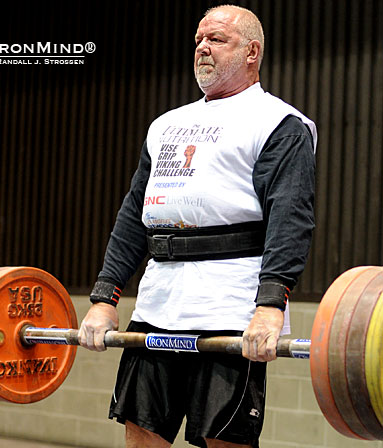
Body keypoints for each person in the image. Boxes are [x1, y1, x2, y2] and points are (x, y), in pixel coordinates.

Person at [78, 4, 317, 448]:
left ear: (252, 51)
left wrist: (271, 304)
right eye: (198, 40)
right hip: (157, 302)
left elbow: (291, 217)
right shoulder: (167, 125)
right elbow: (135, 214)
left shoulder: (279, 124)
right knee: (141, 432)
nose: (202, 48)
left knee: (223, 439)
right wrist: (104, 296)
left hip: (230, 306)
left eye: (217, 40)